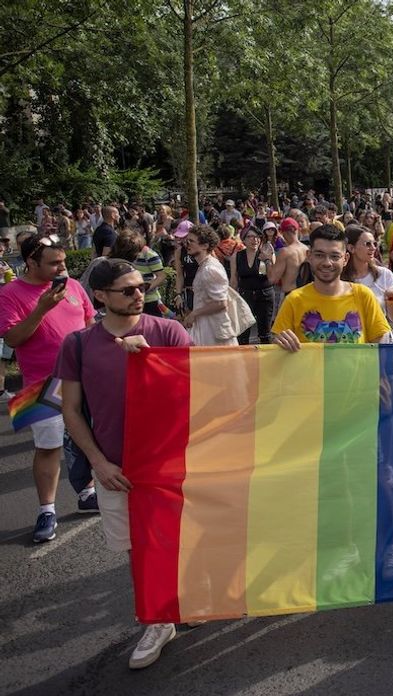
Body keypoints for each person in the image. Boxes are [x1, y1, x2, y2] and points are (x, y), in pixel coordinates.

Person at [57, 258, 192, 669]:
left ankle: (181, 603)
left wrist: (152, 361)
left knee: (181, 537)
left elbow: (201, 388)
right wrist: (98, 463)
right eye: (129, 290)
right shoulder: (78, 344)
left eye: (142, 286)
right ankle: (157, 619)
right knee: (137, 547)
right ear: (100, 296)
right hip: (117, 469)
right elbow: (72, 410)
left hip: (171, 463)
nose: (140, 295)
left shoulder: (168, 331)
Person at [0, 236, 97, 541]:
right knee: (49, 447)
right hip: (42, 383)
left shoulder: (72, 286)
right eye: (54, 263)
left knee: (88, 439)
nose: (62, 268)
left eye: (63, 261)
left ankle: (87, 493)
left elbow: (90, 323)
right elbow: (13, 339)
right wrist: (41, 309)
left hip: (83, 377)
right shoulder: (10, 293)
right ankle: (47, 511)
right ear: (30, 262)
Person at [272, 225, 391, 348]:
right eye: (319, 255)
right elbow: (277, 347)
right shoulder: (294, 300)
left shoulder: (363, 295)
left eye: (334, 256)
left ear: (345, 259)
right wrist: (279, 342)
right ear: (309, 256)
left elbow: (381, 346)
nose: (327, 263)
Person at [182, 225, 236, 346]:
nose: (187, 244)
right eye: (187, 240)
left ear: (205, 246)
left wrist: (194, 314)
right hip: (206, 328)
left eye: (191, 241)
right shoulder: (205, 266)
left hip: (215, 332)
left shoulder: (210, 269)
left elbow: (221, 303)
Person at [343, 225, 393, 329]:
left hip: (380, 339)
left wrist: (391, 298)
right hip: (352, 340)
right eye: (368, 244)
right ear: (351, 248)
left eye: (374, 243)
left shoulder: (384, 274)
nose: (373, 248)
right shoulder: (339, 280)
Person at [230, 227, 275, 344]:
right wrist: (230, 298)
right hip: (245, 295)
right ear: (243, 240)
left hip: (265, 295)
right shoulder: (237, 256)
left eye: (257, 237)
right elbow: (234, 279)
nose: (254, 240)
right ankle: (242, 359)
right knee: (243, 333)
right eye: (250, 237)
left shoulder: (267, 253)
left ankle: (266, 360)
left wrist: (267, 260)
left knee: (265, 333)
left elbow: (272, 277)